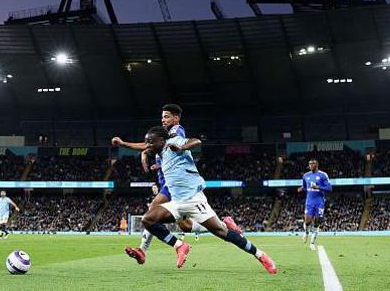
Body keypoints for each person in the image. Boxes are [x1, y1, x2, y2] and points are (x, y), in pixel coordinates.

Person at [139, 127, 276, 274]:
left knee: (223, 233)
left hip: (194, 200)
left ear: (161, 140)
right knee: (148, 219)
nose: (148, 145)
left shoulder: (174, 141)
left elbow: (196, 141)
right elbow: (141, 146)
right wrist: (121, 143)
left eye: (150, 142)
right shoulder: (159, 152)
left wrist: (182, 147)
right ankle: (179, 245)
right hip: (177, 203)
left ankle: (260, 255)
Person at [114, 104, 234, 265]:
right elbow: (150, 148)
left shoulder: (176, 131)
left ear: (176, 118)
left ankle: (144, 249)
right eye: (162, 117)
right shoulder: (165, 136)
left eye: (167, 116)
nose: (163, 119)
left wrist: (123, 144)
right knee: (186, 226)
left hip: (175, 185)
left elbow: (150, 146)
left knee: (152, 210)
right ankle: (223, 224)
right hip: (169, 182)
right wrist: (152, 160)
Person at [298, 159, 332, 250]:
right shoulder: (306, 175)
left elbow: (329, 188)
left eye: (312, 164)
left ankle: (312, 243)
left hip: (319, 202)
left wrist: (318, 187)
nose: (310, 165)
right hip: (309, 201)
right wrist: (301, 189)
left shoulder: (323, 175)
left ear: (317, 164)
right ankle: (306, 232)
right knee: (308, 221)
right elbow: (305, 187)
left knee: (317, 222)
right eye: (309, 164)